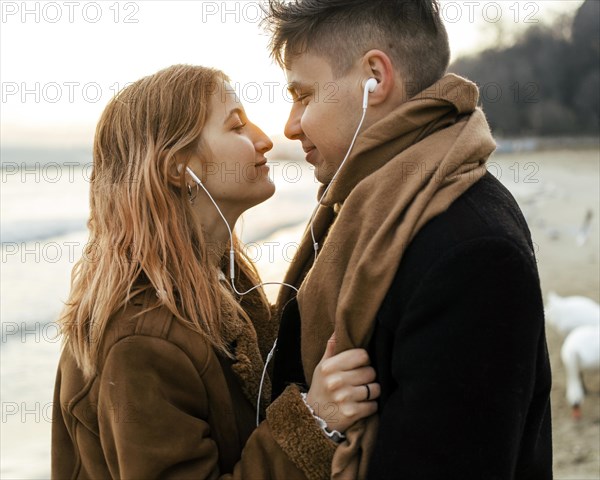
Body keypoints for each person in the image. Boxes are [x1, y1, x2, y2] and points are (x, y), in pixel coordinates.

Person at [263, 0, 553, 478]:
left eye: (304, 95)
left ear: (375, 77)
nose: (291, 126)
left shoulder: (471, 248)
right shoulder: (366, 209)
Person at [51, 64, 381, 479]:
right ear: (178, 167)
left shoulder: (224, 281)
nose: (264, 140)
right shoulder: (142, 337)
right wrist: (316, 422)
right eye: (237, 126)